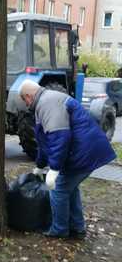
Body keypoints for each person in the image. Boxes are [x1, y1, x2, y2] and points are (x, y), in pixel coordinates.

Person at [19, 80, 116, 239]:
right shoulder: (43, 104)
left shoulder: (47, 103)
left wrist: (55, 169)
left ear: (29, 96)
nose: (25, 103)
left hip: (84, 152)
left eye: (24, 99)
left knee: (58, 190)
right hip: (83, 151)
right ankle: (77, 227)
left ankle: (60, 229)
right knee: (70, 189)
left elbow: (59, 137)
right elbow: (45, 141)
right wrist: (40, 165)